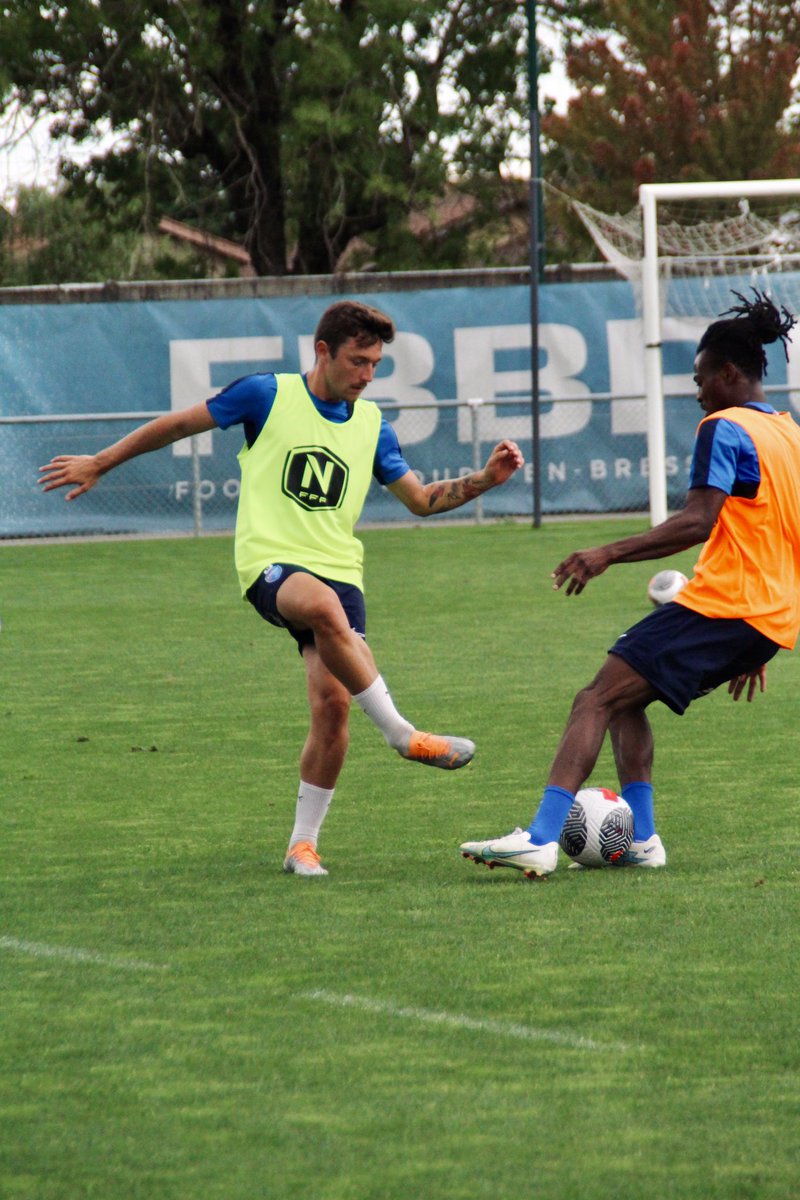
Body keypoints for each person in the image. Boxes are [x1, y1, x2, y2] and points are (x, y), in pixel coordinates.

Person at [39, 299, 524, 877]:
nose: (367, 375)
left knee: (333, 708)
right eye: (358, 360)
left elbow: (420, 501)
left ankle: (302, 846)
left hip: (342, 573)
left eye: (375, 364)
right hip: (271, 565)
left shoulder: (373, 426)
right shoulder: (265, 395)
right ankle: (403, 735)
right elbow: (175, 425)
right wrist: (103, 460)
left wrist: (485, 480)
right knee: (317, 606)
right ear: (322, 351)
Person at [460, 289, 799, 878]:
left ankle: (540, 838)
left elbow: (698, 521)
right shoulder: (790, 436)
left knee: (593, 699)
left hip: (727, 606)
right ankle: (641, 839)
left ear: (727, 373)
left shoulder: (724, 427)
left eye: (699, 379)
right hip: (760, 615)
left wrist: (605, 553)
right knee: (623, 698)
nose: (697, 394)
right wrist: (762, 630)